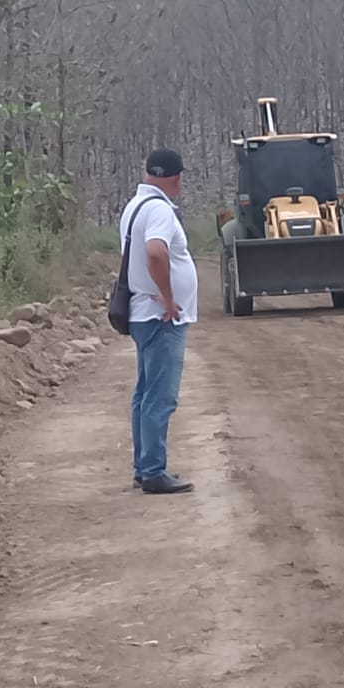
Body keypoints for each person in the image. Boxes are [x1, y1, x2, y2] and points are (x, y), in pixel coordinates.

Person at [118, 149, 197, 495]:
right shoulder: (160, 210)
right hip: (160, 317)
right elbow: (155, 251)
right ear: (176, 178)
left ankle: (144, 467)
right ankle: (153, 471)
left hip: (142, 314)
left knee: (144, 393)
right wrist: (168, 296)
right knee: (160, 397)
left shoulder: (134, 207)